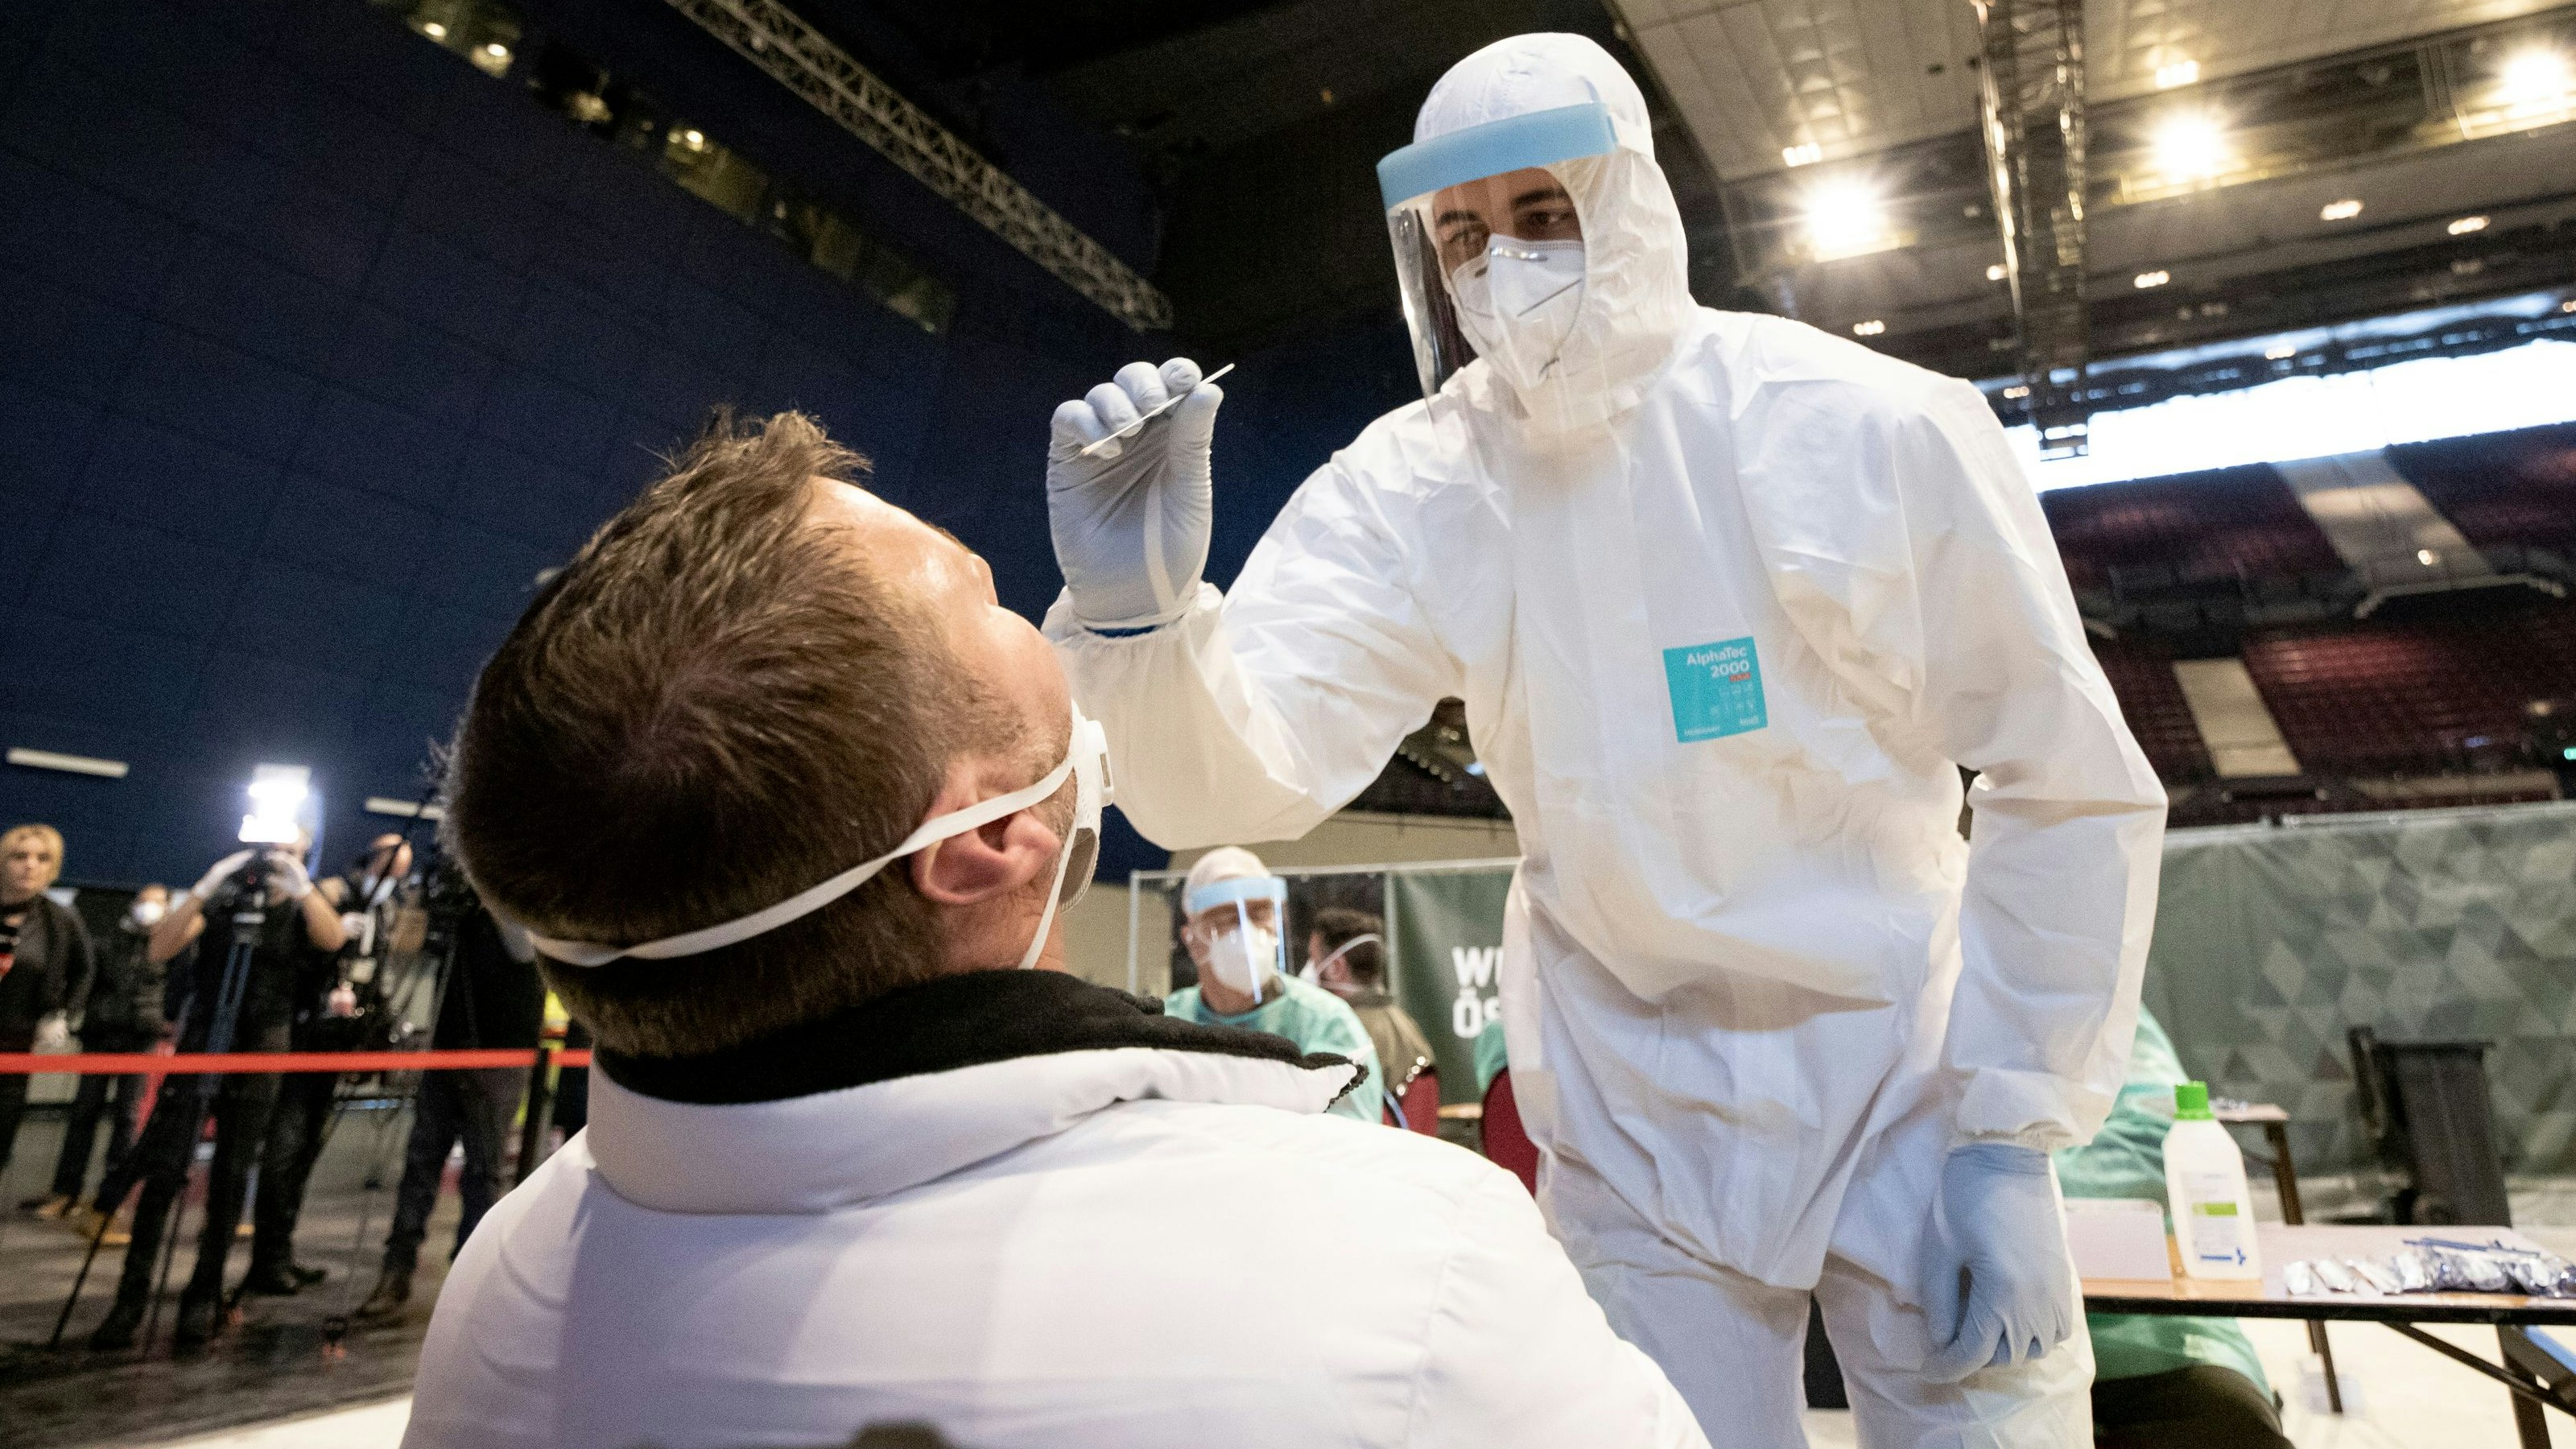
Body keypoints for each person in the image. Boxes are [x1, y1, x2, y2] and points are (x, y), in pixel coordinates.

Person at [1039, 33, 2165, 1449]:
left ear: (1630, 202)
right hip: (1633, 1105)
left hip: (1908, 1075)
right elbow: (1242, 776)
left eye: (1541, 213)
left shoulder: (1860, 424)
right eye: (1460, 232)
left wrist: (2006, 1128)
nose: (1498, 261)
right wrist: (1141, 625)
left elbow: (2061, 772)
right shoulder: (1420, 483)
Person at [402, 411, 1704, 1449]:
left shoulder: (513, 1280)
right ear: (990, 842)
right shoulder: (1404, 1262)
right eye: (987, 600)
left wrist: (1152, 637)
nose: (1033, 610)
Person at [87, 836, 346, 1350]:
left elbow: (332, 939)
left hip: (264, 1041)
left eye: (288, 844)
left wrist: (301, 887)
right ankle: (130, 1298)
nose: (273, 852)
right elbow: (160, 948)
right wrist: (206, 886)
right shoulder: (224, 900)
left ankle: (203, 1295)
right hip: (205, 1033)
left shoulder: (300, 905)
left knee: (232, 1171)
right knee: (165, 1168)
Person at [2058, 1008, 2289, 1449]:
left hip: (2140, 1337)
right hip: (1940, 1358)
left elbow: (2155, 1145)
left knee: (2226, 1426)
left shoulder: (2091, 995)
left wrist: (2011, 1182)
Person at [246, 833, 415, 1295]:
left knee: (305, 1148)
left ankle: (282, 1250)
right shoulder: (334, 892)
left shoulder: (386, 909)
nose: (396, 874)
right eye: (391, 863)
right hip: (307, 1037)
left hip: (341, 1040)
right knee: (287, 1144)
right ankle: (268, 1257)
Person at [356, 899, 543, 1319]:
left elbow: (524, 949)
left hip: (500, 1048)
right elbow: (405, 948)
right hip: (447, 1042)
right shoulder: (456, 897)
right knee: (420, 1160)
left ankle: (471, 1278)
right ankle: (396, 1269)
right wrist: (425, 902)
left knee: (484, 1169)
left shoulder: (514, 887)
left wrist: (487, 889)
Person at [1162, 848, 1382, 1124]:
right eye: (1229, 917)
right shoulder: (1166, 1026)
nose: (1248, 932)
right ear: (1193, 940)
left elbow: (1350, 1142)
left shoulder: (1325, 1023)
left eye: (1260, 914)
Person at [31, 884, 171, 1219]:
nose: (148, 909)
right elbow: (87, 980)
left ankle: (113, 1196)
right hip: (100, 1035)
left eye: (157, 904)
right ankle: (66, 1191)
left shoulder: (172, 947)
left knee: (127, 1118)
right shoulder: (108, 943)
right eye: (144, 901)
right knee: (83, 1114)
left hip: (141, 1040)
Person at [2, 824, 95, 1187]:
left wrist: (62, 1015)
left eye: (42, 859)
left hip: (14, 1047)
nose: (30, 865)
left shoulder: (60, 920)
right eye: (19, 856)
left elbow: (85, 971)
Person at [1307, 906, 1435, 1092]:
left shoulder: (1341, 1034)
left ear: (1336, 968)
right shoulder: (1406, 1025)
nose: (1308, 970)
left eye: (1313, 959)